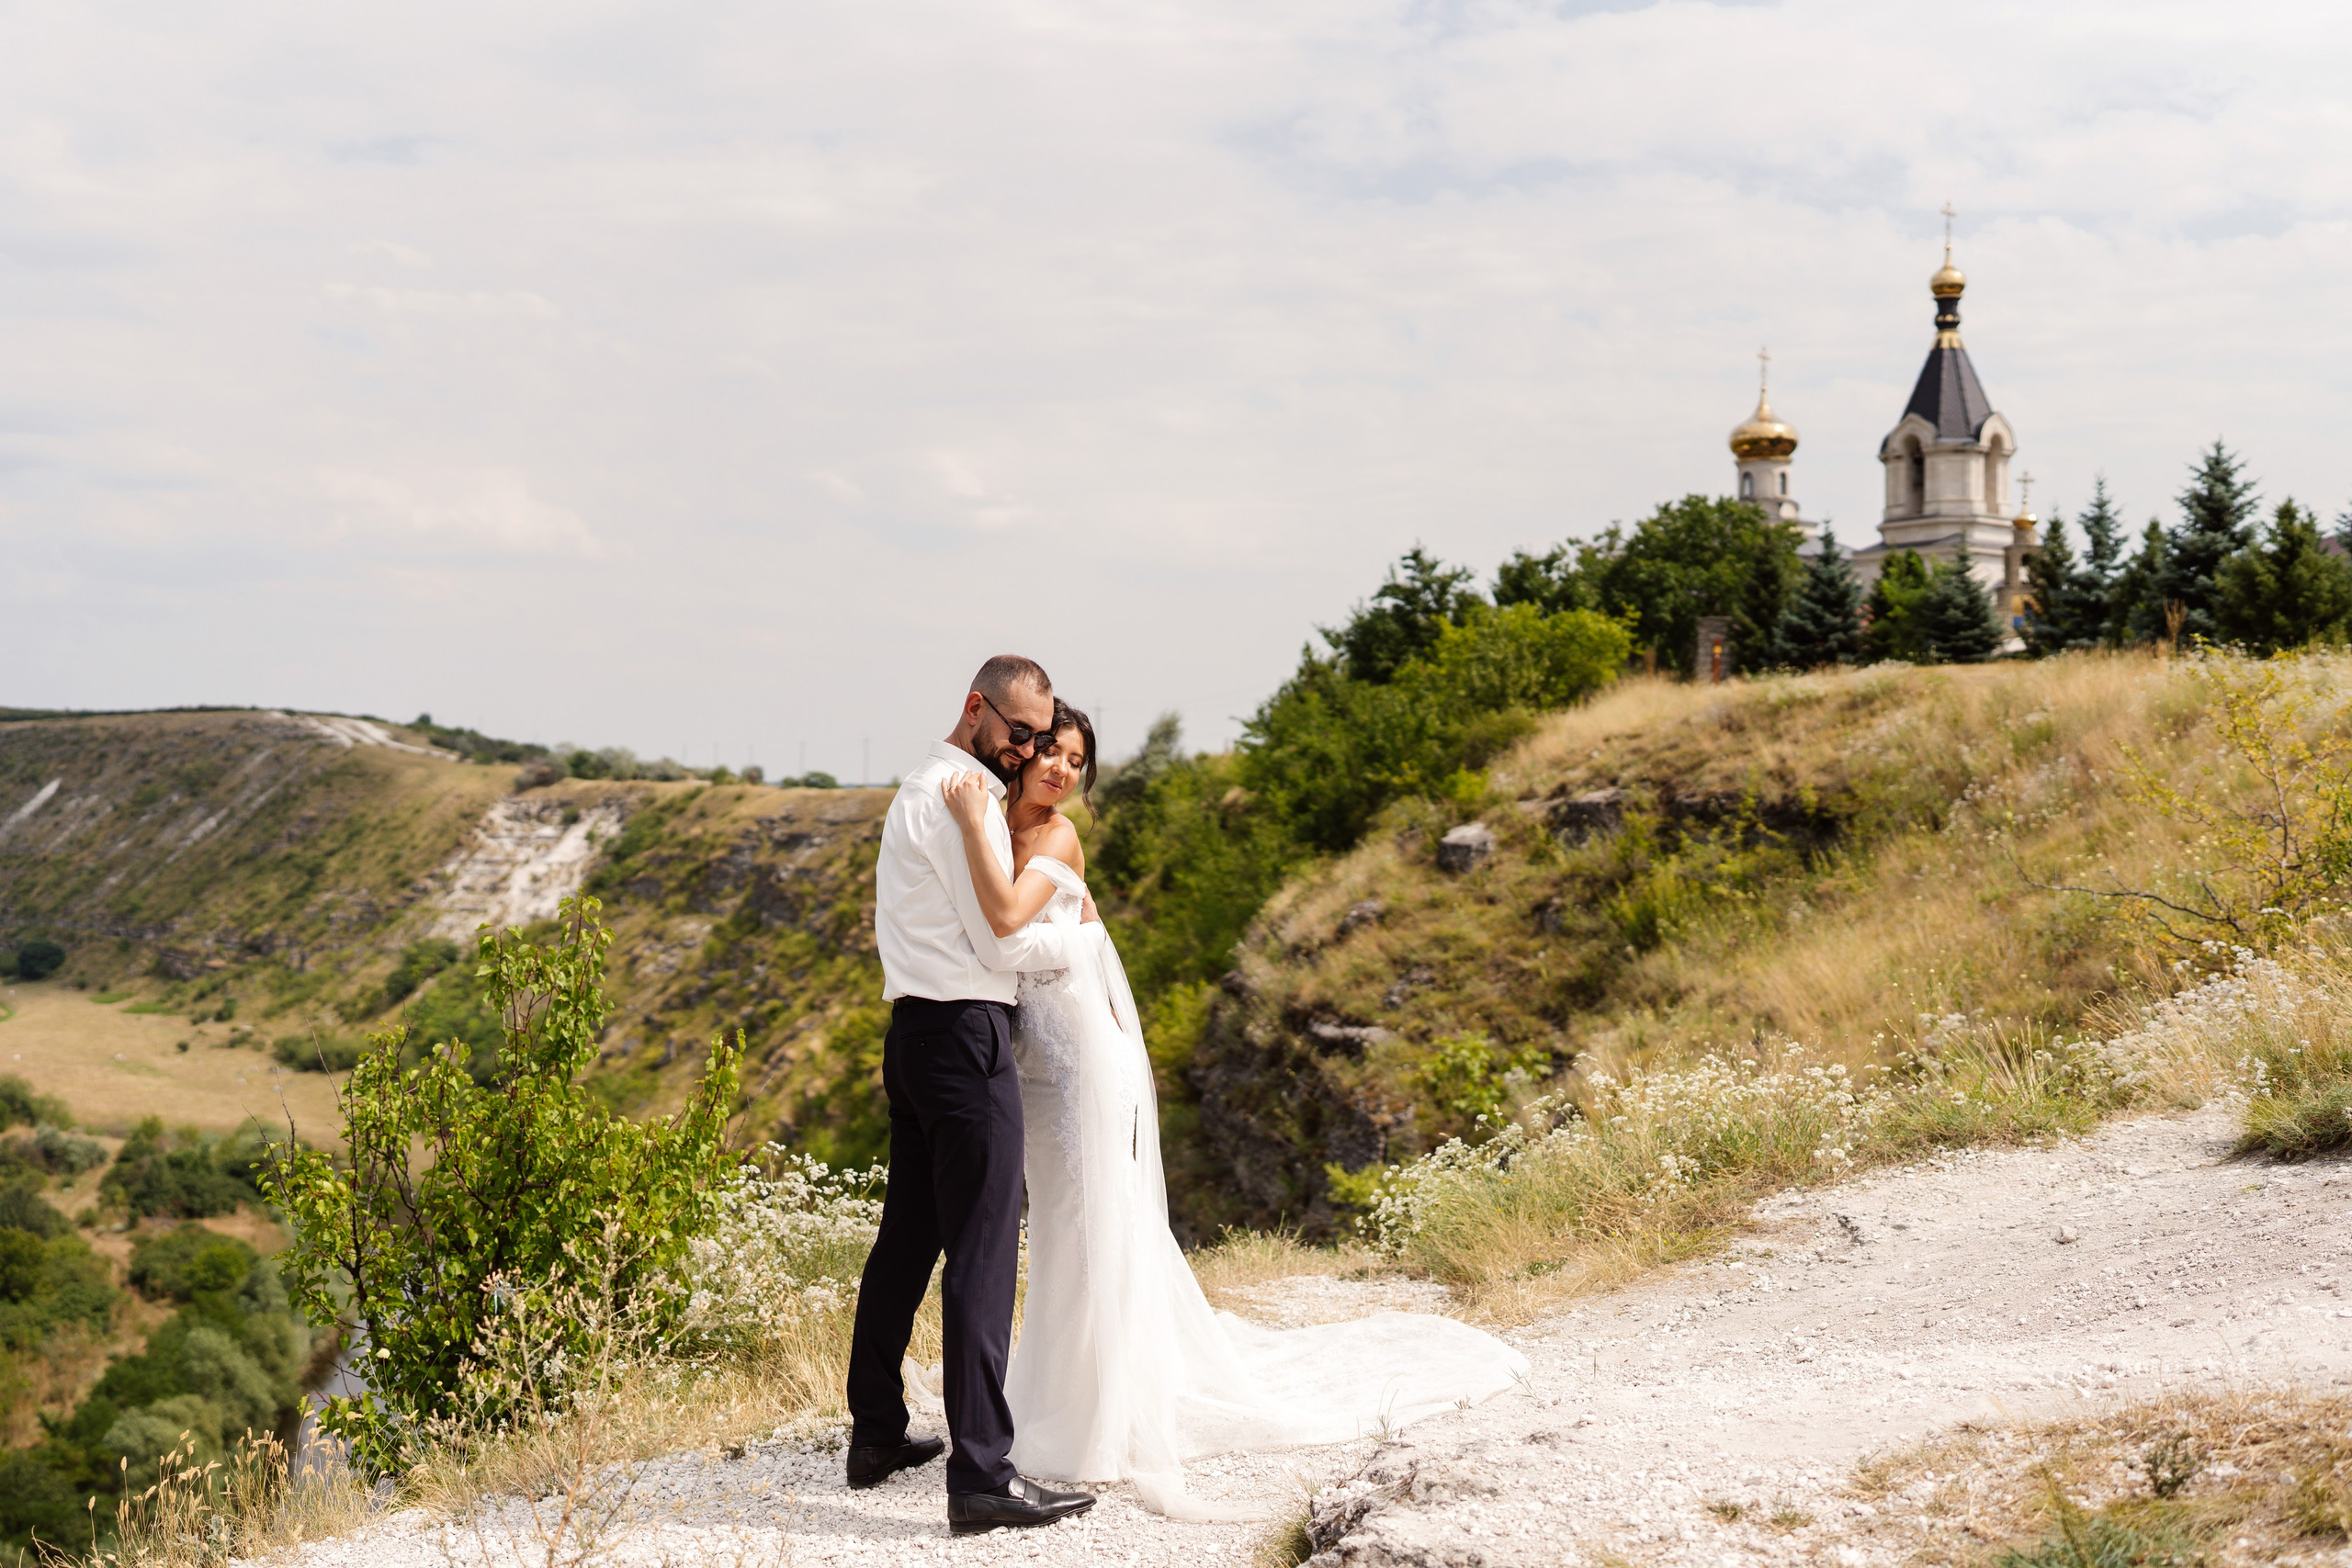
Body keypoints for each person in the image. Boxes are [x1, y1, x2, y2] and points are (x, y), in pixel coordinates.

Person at [940, 700, 1530, 1519]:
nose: (1063, 772)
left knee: (1093, 1224)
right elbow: (1082, 931)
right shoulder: (1004, 828)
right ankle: (1049, 1397)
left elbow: (1009, 931)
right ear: (1024, 750)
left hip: (1083, 1067)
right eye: (1052, 754)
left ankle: (1099, 1419)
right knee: (1064, 1228)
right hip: (1039, 1065)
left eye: (1078, 761)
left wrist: (997, 861)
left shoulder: (1058, 837)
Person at [846, 655, 1101, 1537]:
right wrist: (1073, 947)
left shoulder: (917, 786)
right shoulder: (964, 797)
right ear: (976, 708)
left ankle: (875, 1431)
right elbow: (1001, 943)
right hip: (963, 1039)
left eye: (1039, 736)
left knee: (907, 1240)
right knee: (984, 1255)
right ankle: (982, 1475)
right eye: (1020, 732)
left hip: (913, 1035)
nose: (1028, 749)